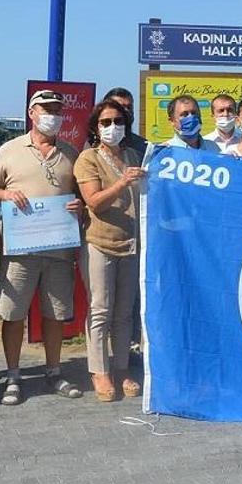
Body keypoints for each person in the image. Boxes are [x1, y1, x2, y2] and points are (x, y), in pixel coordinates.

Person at [0, 89, 86, 406]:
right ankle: (14, 375)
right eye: (46, 109)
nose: (53, 115)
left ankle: (54, 370)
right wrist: (4, 195)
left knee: (55, 316)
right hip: (19, 250)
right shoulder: (8, 150)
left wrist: (79, 207)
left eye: (58, 110)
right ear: (31, 112)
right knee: (13, 313)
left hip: (59, 250)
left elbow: (82, 196)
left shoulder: (73, 153)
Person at [75, 100, 144, 401]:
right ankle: (99, 370)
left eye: (118, 121)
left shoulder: (132, 155)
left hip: (130, 244)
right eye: (105, 122)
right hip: (99, 243)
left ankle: (122, 367)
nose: (112, 127)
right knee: (101, 310)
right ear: (95, 127)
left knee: (124, 312)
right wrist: (122, 182)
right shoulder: (88, 159)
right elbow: (94, 201)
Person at [103, 87, 149, 158]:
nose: (126, 111)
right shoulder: (93, 144)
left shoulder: (143, 146)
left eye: (129, 107)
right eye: (121, 107)